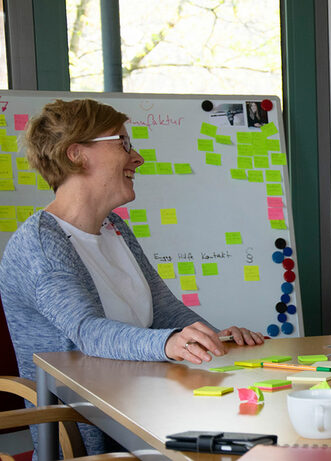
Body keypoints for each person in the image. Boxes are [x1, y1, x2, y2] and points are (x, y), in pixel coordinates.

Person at [0, 99, 265, 455]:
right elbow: (87, 332)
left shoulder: (114, 227)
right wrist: (168, 343)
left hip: (147, 406)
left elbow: (165, 310)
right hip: (96, 433)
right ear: (77, 153)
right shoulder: (41, 244)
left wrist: (213, 338)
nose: (137, 157)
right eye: (123, 143)